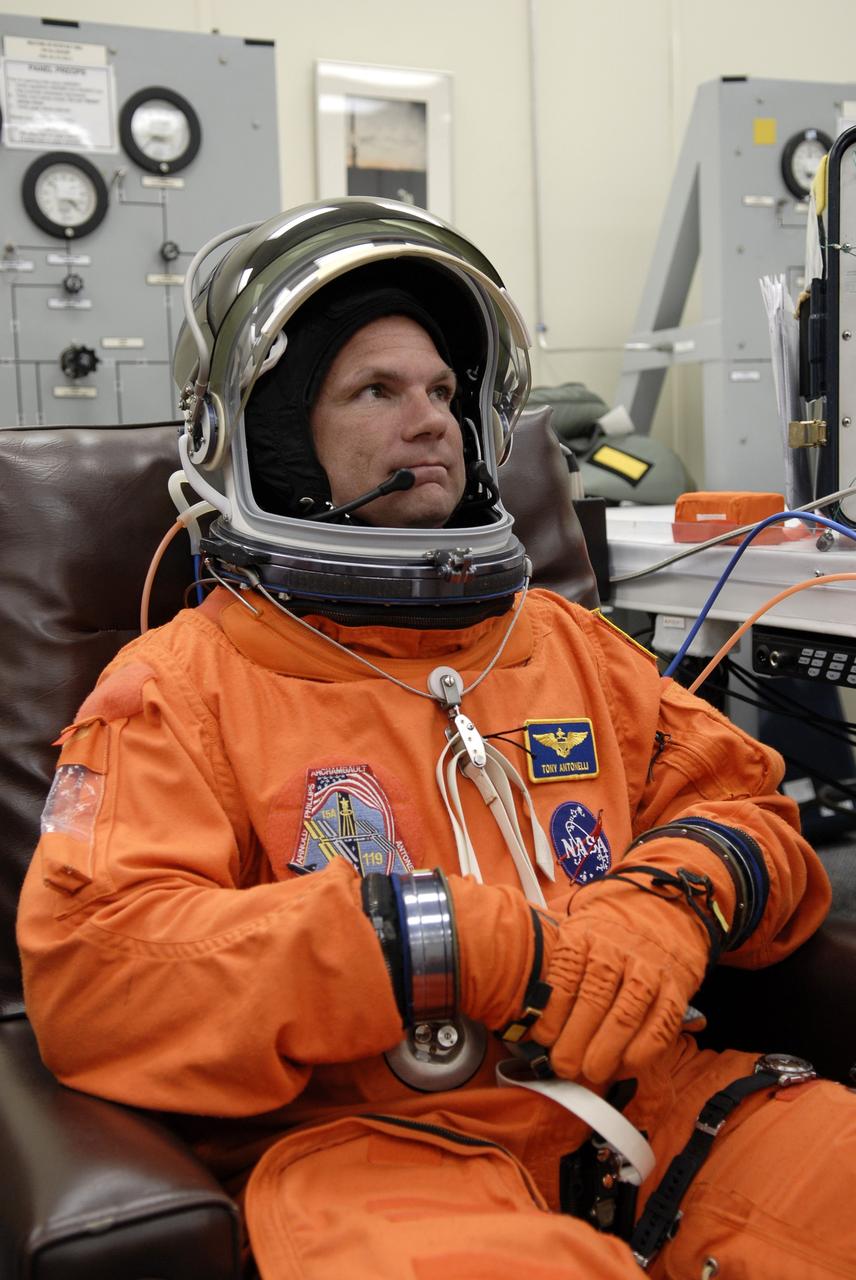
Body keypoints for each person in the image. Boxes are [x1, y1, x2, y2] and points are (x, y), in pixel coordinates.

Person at [17, 199, 856, 1280]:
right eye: (376, 390)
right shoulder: (182, 685)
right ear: (267, 435)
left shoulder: (559, 641)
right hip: (381, 1152)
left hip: (664, 1100)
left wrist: (671, 900)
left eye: (445, 393)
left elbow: (752, 815)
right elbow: (102, 975)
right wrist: (437, 940)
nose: (431, 422)